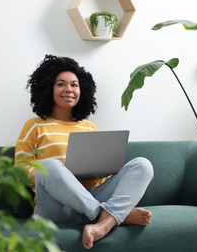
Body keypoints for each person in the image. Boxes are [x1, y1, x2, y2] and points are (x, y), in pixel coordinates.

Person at [15, 54, 154, 249]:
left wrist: (103, 170)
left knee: (142, 165)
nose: (69, 90)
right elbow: (20, 170)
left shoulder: (89, 127)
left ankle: (103, 222)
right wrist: (54, 173)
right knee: (49, 166)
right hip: (55, 206)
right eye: (61, 84)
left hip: (91, 194)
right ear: (48, 88)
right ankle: (108, 218)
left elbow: (100, 178)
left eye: (74, 85)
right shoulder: (34, 125)